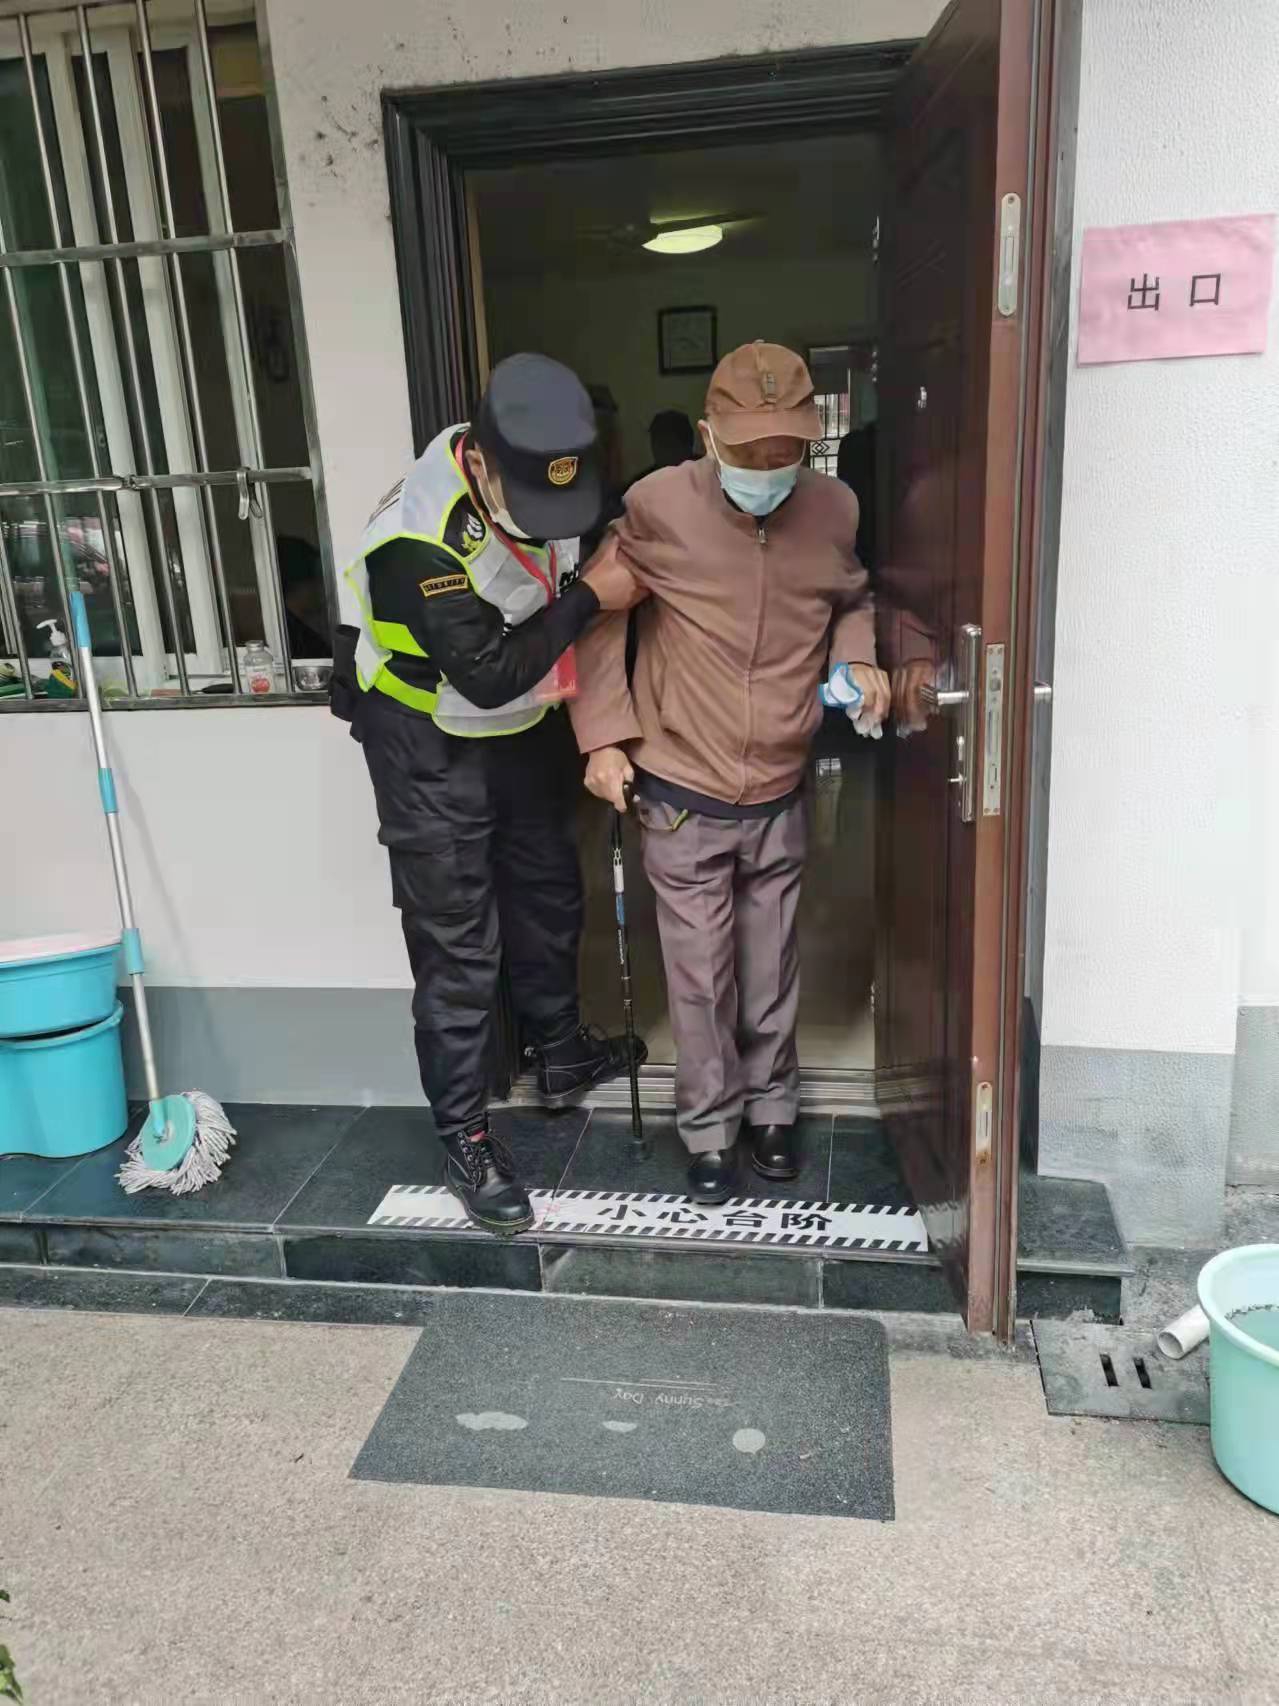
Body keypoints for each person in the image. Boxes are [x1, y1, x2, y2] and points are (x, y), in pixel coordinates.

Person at [333, 353, 646, 1236]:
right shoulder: (415, 539)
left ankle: (560, 1051)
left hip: (515, 729)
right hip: (426, 738)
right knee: (459, 948)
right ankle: (465, 1139)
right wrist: (592, 596)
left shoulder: (541, 471)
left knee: (547, 889)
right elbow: (488, 672)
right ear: (478, 461)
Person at [570, 341, 890, 1204]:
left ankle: (773, 1110)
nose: (769, 466)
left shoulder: (832, 508)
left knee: (771, 963)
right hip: (680, 784)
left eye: (786, 449)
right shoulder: (655, 505)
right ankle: (709, 1127)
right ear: (707, 434)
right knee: (700, 976)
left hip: (781, 783)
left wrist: (857, 658)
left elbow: (852, 597)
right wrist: (603, 738)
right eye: (749, 451)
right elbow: (596, 620)